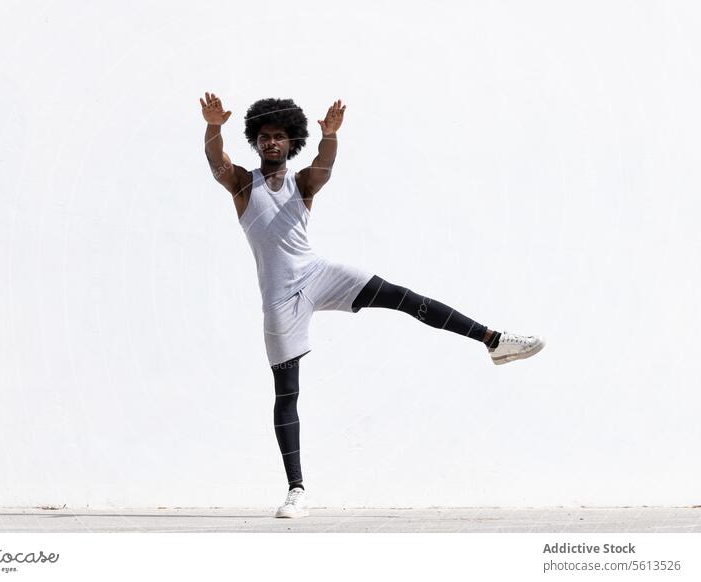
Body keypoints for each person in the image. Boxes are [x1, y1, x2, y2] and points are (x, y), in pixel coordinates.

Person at [200, 92, 546, 518]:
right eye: (265, 137)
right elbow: (216, 161)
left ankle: (493, 340)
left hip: (316, 274)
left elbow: (325, 167)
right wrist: (213, 127)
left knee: (402, 296)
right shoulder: (242, 184)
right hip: (279, 297)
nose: (272, 142)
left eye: (280, 137)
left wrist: (330, 136)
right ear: (255, 141)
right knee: (286, 392)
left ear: (292, 143)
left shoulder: (303, 183)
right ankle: (296, 490)